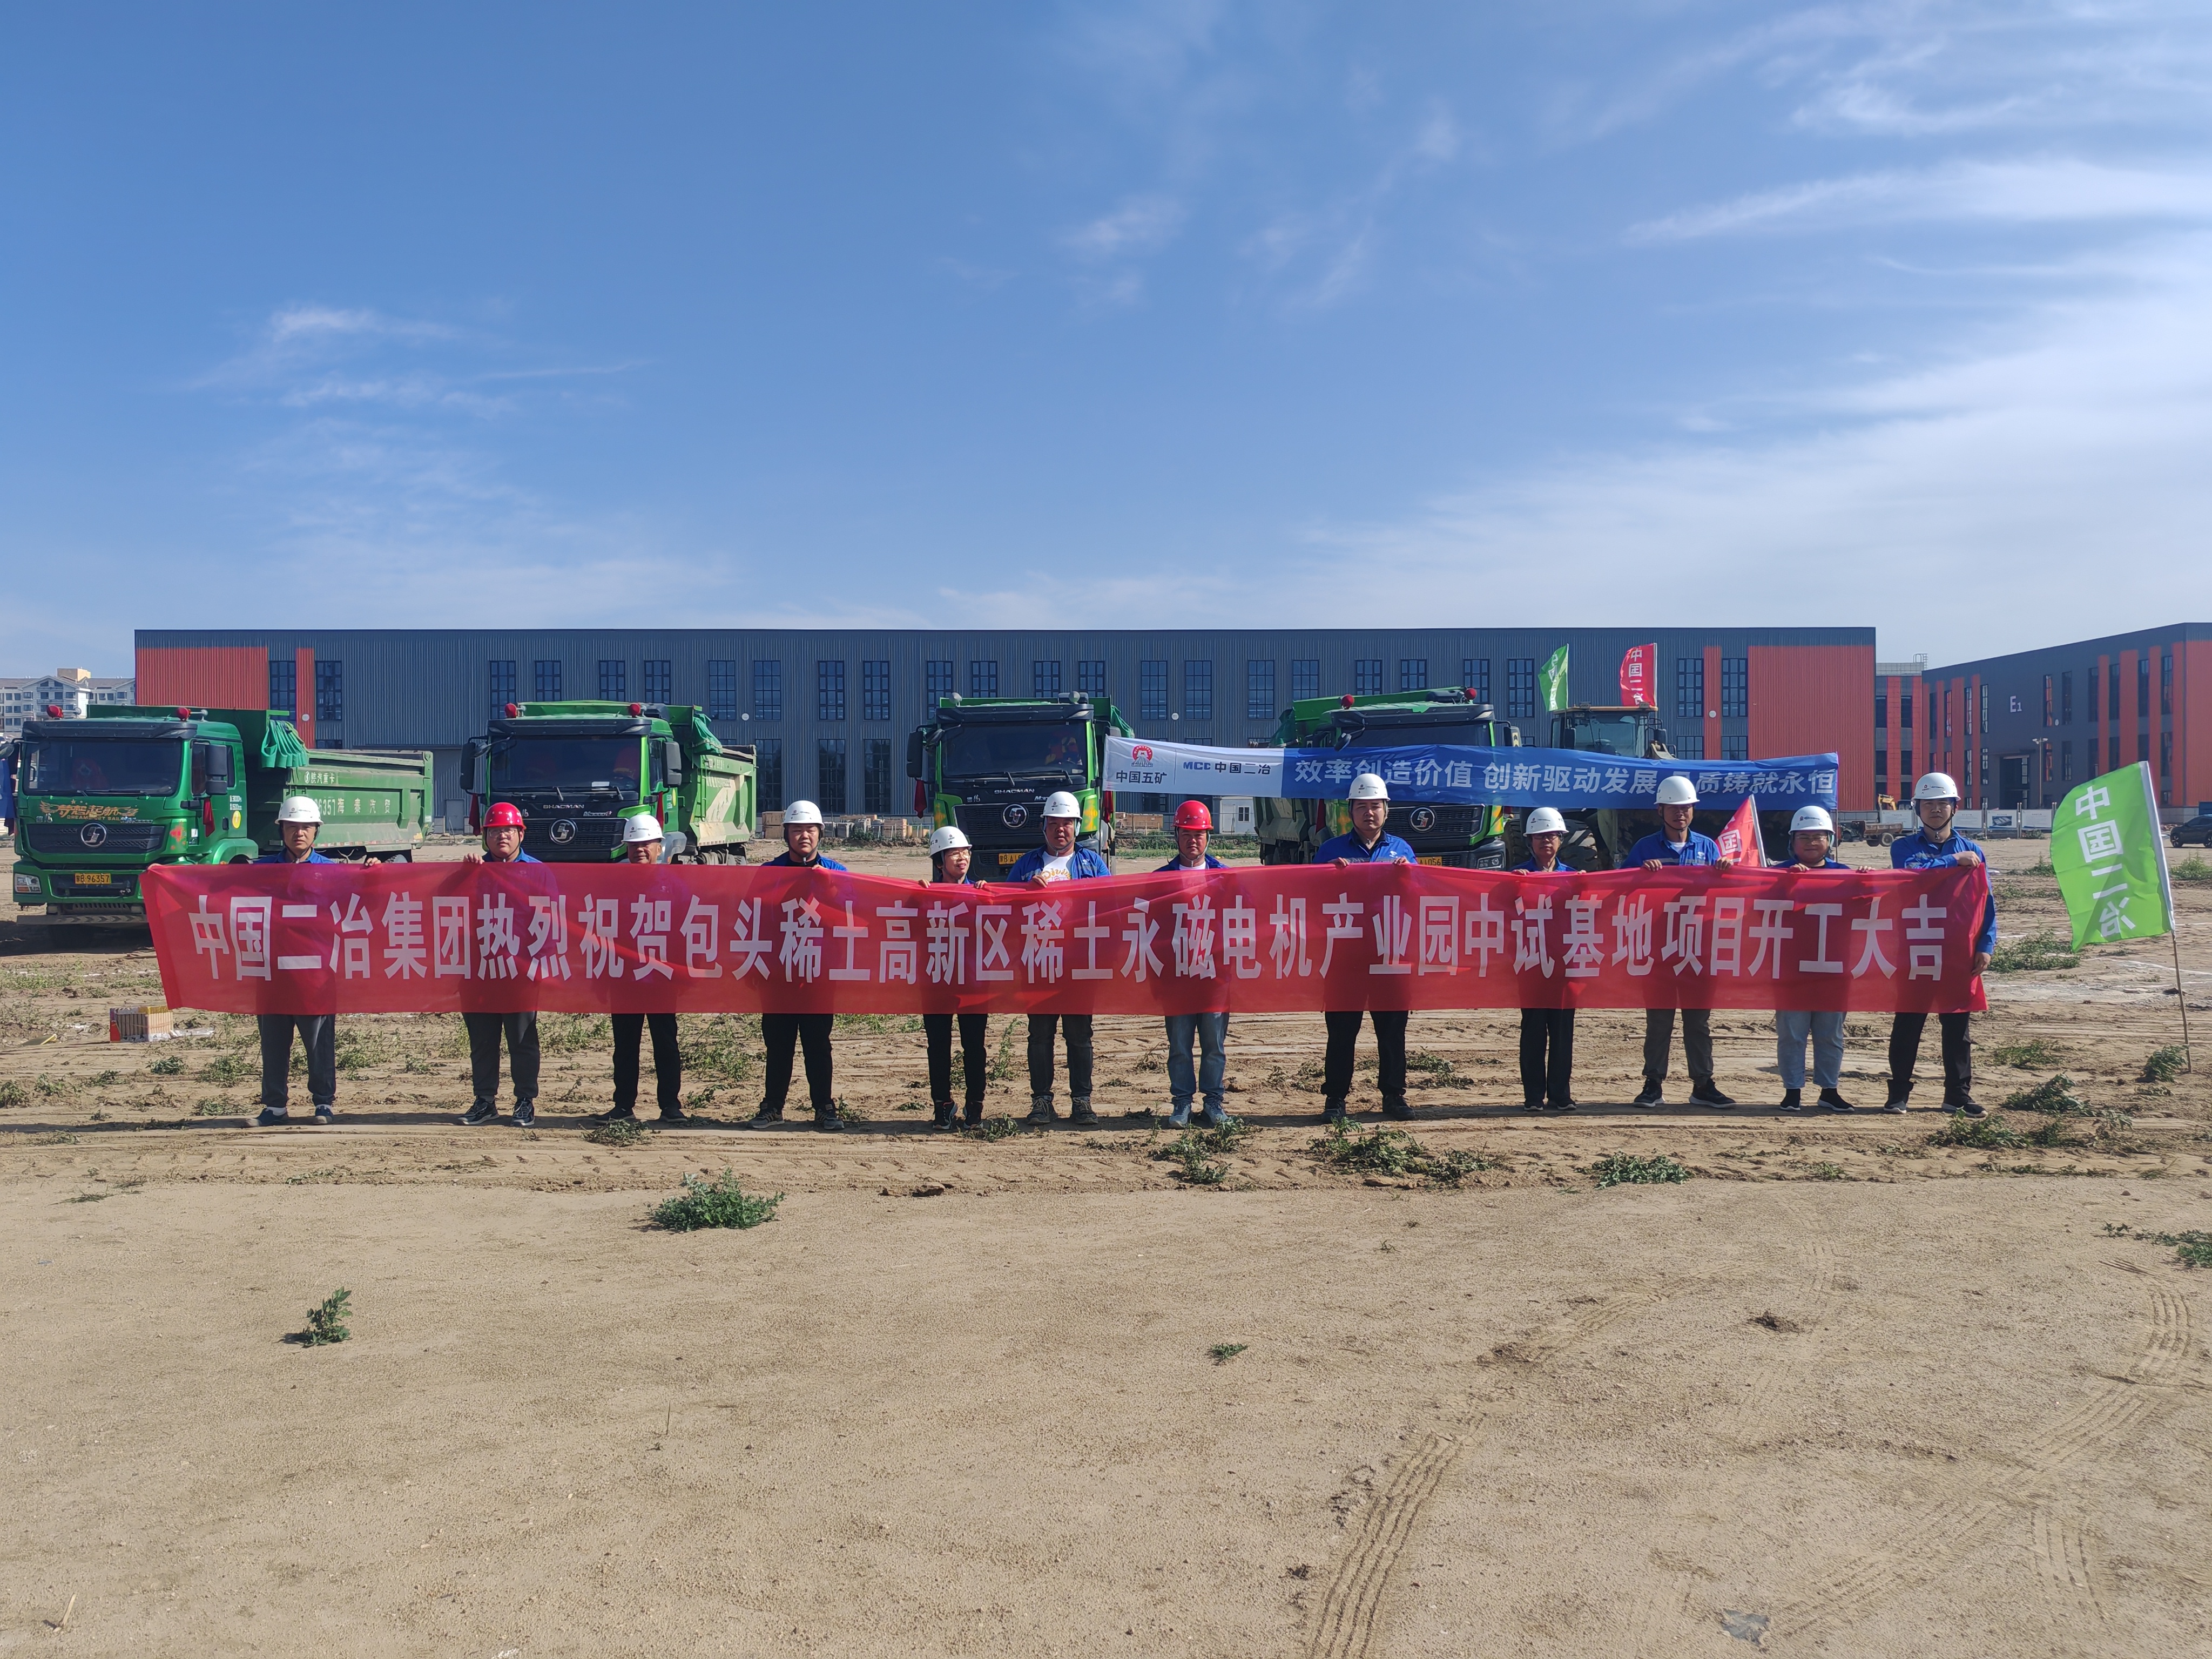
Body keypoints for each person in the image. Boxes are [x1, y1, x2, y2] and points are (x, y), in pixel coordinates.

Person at [1885, 772, 1998, 1116]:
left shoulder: (1973, 850)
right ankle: (1898, 1094)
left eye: (1942, 804)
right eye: (1928, 804)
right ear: (1917, 809)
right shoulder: (1903, 847)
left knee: (1957, 1028)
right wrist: (1952, 861)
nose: (1935, 810)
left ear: (1954, 808)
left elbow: (1986, 902)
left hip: (1957, 951)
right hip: (1916, 947)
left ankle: (1957, 1095)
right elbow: (1914, 875)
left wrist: (1986, 945)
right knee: (1908, 1024)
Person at [1628, 775, 1737, 1110]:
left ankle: (1703, 1085)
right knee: (1659, 1021)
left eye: (1686, 808)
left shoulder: (1708, 848)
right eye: (1674, 808)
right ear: (1660, 811)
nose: (1681, 814)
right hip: (1659, 948)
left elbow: (1723, 895)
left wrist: (1726, 871)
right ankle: (1653, 1084)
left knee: (1698, 1022)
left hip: (1697, 947)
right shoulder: (1644, 849)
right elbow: (1620, 889)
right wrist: (1639, 874)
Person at [1314, 773, 1416, 1123]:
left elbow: (1421, 897)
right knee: (1342, 1031)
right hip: (1346, 956)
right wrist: (1328, 876)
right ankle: (1335, 1099)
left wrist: (1409, 877)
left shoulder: (1403, 851)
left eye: (1375, 806)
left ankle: (1394, 1095)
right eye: (1362, 807)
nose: (1369, 813)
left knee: (1392, 1031)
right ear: (1350, 811)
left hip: (1390, 954)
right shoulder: (1330, 852)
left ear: (1386, 809)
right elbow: (1310, 897)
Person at [1007, 791, 1112, 1126]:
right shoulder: (1026, 866)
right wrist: (1025, 891)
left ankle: (1082, 1101)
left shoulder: (1092, 864)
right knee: (1040, 1035)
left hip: (1078, 964)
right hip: (1039, 962)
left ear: (1077, 827)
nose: (1060, 830)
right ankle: (1042, 1101)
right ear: (1044, 826)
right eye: (1054, 824)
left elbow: (1113, 904)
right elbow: (1004, 908)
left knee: (1079, 1035)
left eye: (1067, 823)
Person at [746, 800, 849, 1132]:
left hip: (818, 973)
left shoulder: (836, 873)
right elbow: (751, 917)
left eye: (810, 830)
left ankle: (824, 1107)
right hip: (779, 974)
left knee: (818, 1043)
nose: (804, 836)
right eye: (797, 830)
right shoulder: (770, 873)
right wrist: (754, 964)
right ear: (786, 834)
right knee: (779, 1043)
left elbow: (857, 911)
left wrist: (831, 890)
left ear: (820, 834)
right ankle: (772, 1106)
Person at [596, 815, 689, 1127]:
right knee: (625, 1046)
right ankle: (623, 1106)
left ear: (659, 847)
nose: (640, 849)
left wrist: (684, 971)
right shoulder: (614, 884)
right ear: (626, 847)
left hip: (662, 978)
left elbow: (686, 928)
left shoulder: (673, 884)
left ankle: (670, 1106)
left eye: (647, 844)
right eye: (634, 844)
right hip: (624, 978)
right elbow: (602, 928)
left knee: (666, 1043)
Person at [458, 801, 543, 1128]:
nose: (502, 837)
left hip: (520, 971)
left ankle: (525, 1100)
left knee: (522, 1039)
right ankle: (485, 1101)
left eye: (508, 830)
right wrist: (466, 874)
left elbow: (551, 920)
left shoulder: (537, 872)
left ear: (521, 834)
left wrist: (540, 965)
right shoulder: (474, 871)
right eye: (494, 831)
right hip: (480, 970)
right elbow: (444, 904)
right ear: (485, 837)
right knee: (482, 1040)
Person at [254, 797, 338, 1126]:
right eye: (292, 826)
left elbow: (370, 897)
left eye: (305, 827)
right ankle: (274, 1106)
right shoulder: (259, 872)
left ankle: (323, 1103)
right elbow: (212, 889)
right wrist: (165, 874)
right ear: (282, 830)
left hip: (315, 974)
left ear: (316, 831)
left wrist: (373, 870)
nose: (298, 833)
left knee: (319, 1043)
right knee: (273, 1043)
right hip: (272, 973)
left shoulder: (333, 872)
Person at [1772, 806, 1856, 1114]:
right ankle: (1792, 1091)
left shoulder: (1845, 875)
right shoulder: (1777, 875)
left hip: (1833, 967)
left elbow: (1869, 907)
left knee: (1830, 1033)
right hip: (1790, 968)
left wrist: (1867, 881)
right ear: (1792, 841)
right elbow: (1754, 906)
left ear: (1830, 841)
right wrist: (1786, 883)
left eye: (1818, 837)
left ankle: (1829, 1090)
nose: (1811, 843)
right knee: (1791, 1034)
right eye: (1804, 837)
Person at [1159, 799, 1230, 1129]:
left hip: (1214, 977)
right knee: (1179, 1045)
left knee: (1214, 1045)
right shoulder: (1161, 881)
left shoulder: (1224, 878)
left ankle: (1213, 1102)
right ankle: (1182, 1102)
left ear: (1208, 837)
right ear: (1176, 835)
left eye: (1199, 834)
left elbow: (1246, 917)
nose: (1193, 840)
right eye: (1186, 834)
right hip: (1177, 978)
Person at [921, 825, 989, 1130]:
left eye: (965, 852)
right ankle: (942, 1104)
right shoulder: (926, 895)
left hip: (973, 981)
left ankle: (975, 1105)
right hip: (936, 979)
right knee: (938, 1045)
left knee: (974, 1045)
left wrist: (989, 898)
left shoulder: (981, 892)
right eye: (953, 854)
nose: (962, 858)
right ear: (939, 862)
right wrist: (916, 897)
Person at [1514, 806, 1576, 1113]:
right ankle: (1533, 1096)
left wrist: (1586, 886)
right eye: (1539, 836)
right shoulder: (1517, 876)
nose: (1546, 841)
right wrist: (1512, 885)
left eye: (1552, 836)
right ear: (1530, 841)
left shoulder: (1574, 877)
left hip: (1565, 964)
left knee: (1563, 1033)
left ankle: (1561, 1096)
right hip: (1531, 964)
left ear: (1561, 840)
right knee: (1534, 1032)